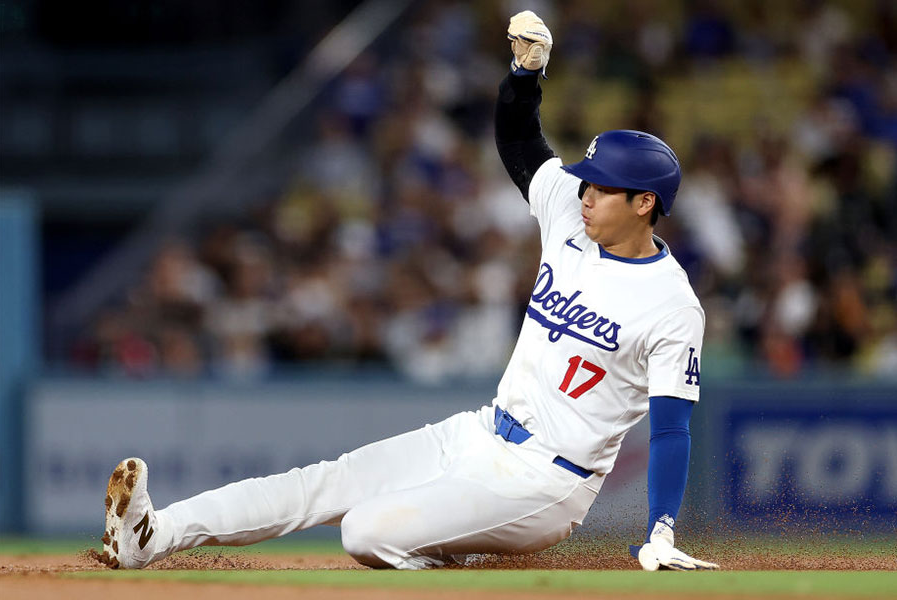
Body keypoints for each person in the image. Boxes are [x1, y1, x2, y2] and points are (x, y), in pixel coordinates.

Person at [97, 11, 718, 572]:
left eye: (602, 188)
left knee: (366, 534)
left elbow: (670, 430)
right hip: (483, 432)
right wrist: (525, 76)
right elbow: (521, 142)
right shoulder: (570, 217)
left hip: (549, 480)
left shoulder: (669, 304)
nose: (584, 193)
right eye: (585, 182)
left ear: (645, 203)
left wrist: (659, 530)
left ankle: (458, 572)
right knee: (328, 483)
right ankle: (155, 534)